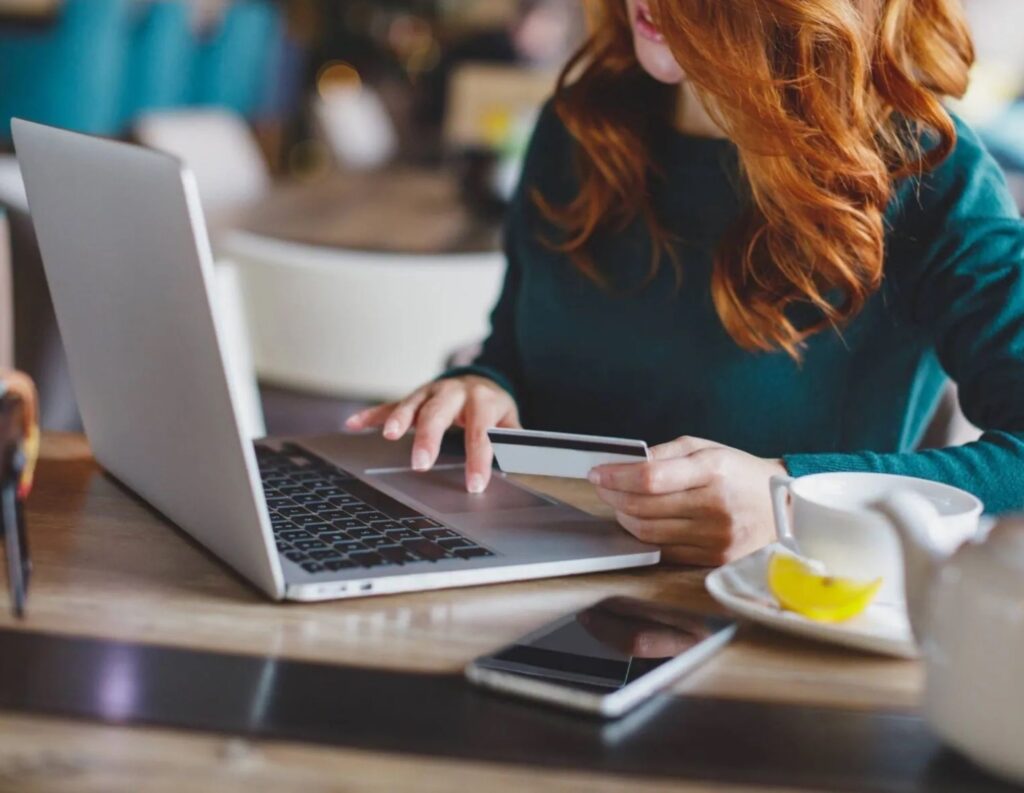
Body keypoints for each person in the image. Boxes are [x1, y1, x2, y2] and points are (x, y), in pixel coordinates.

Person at [349, 0, 1024, 566]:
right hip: (525, 600)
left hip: (773, 636)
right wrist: (484, 386)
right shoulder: (580, 128)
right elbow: (516, 357)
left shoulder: (936, 180)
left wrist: (790, 498)